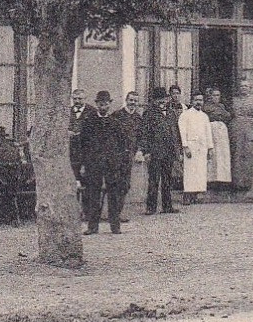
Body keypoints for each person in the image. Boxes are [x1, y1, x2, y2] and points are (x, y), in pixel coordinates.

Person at [76, 90, 130, 235]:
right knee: (93, 195)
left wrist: (119, 162)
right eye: (100, 104)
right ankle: (92, 226)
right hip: (93, 164)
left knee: (113, 195)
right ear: (96, 104)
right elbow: (83, 144)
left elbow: (122, 144)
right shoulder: (89, 122)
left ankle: (115, 226)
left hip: (112, 165)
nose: (103, 107)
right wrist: (83, 164)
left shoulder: (115, 123)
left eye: (105, 104)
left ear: (110, 104)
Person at [137, 87, 182, 214]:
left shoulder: (171, 113)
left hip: (169, 152)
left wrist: (177, 150)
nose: (162, 102)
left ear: (167, 99)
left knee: (167, 180)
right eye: (158, 100)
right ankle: (151, 207)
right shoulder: (149, 113)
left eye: (164, 99)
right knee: (154, 180)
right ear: (154, 101)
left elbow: (175, 133)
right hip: (155, 152)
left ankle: (167, 206)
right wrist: (146, 152)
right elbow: (144, 133)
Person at [178, 92, 212, 204]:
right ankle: (187, 194)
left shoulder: (205, 116)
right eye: (196, 100)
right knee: (190, 171)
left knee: (200, 170)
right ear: (192, 101)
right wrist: (185, 146)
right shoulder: (185, 115)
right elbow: (182, 132)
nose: (199, 102)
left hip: (202, 147)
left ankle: (197, 194)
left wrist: (210, 148)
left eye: (201, 100)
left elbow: (208, 133)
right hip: (190, 146)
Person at [118, 89, 145, 222]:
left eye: (135, 101)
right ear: (126, 100)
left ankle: (119, 212)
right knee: (116, 183)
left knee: (125, 184)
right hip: (117, 155)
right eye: (130, 100)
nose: (132, 103)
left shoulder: (138, 118)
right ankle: (114, 213)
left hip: (130, 155)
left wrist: (140, 150)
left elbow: (141, 137)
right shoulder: (117, 115)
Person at [230, 79, 253, 192]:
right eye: (242, 86)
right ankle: (237, 184)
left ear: (250, 88)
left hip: (250, 129)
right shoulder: (234, 100)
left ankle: (246, 184)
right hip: (236, 129)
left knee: (248, 155)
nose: (244, 88)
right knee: (237, 155)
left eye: (246, 86)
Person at [204, 88, 233, 188]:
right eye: (214, 95)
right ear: (210, 96)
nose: (216, 97)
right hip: (211, 129)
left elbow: (228, 116)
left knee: (222, 154)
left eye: (218, 95)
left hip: (222, 131)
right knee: (212, 153)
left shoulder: (222, 106)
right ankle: (210, 179)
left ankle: (222, 179)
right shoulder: (206, 106)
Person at [68, 87, 90, 169]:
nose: (77, 101)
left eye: (80, 99)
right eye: (74, 99)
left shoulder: (92, 112)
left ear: (85, 99)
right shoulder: (67, 112)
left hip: (85, 149)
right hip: (71, 149)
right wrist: (67, 131)